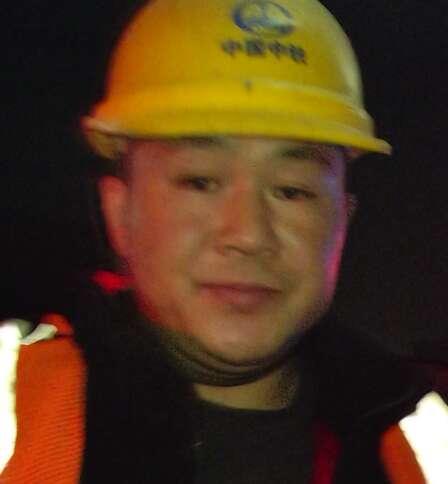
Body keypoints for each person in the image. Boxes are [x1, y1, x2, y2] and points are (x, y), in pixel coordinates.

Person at [1, 0, 431, 482]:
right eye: (200, 182)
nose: (248, 234)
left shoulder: (424, 444)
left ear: (341, 222)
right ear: (120, 214)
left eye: (292, 190)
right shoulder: (16, 410)